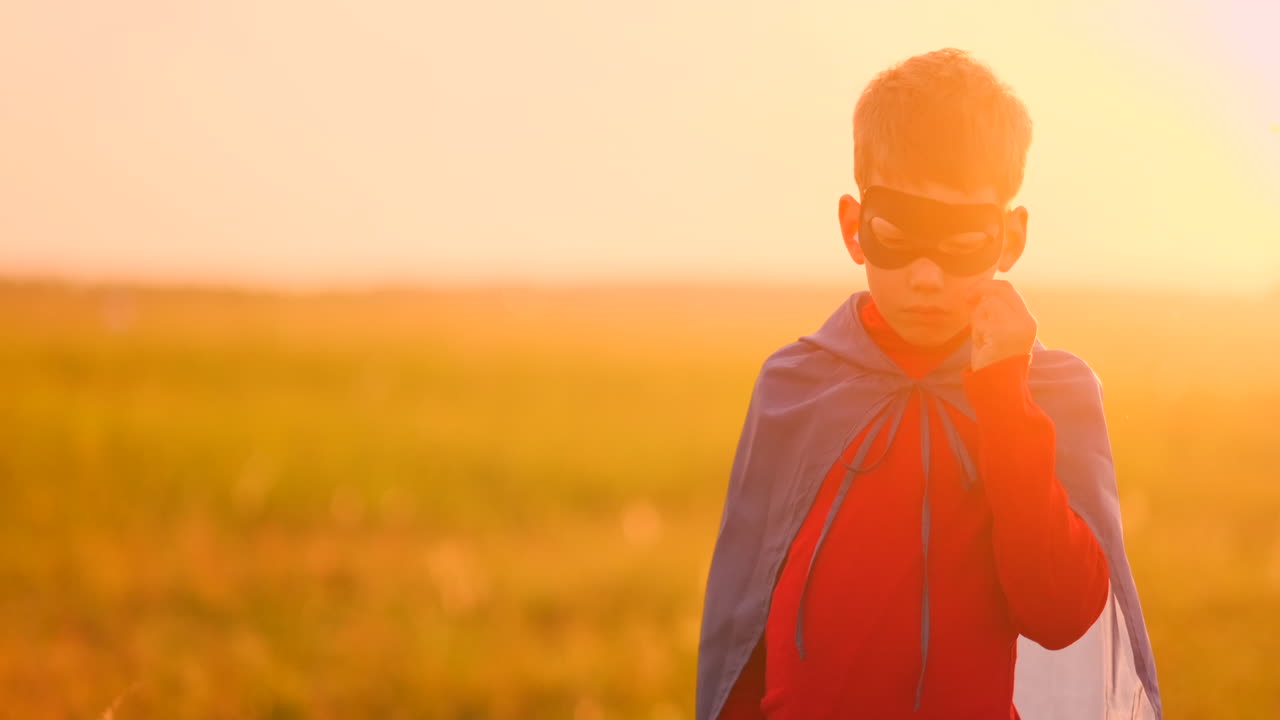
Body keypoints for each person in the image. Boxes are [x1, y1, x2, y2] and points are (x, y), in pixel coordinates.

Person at [695, 48, 1161, 720]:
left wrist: (1003, 396)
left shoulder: (1050, 394)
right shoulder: (796, 386)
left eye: (961, 240)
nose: (926, 275)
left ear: (1009, 238)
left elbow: (1059, 611)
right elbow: (739, 629)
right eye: (896, 231)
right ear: (854, 228)